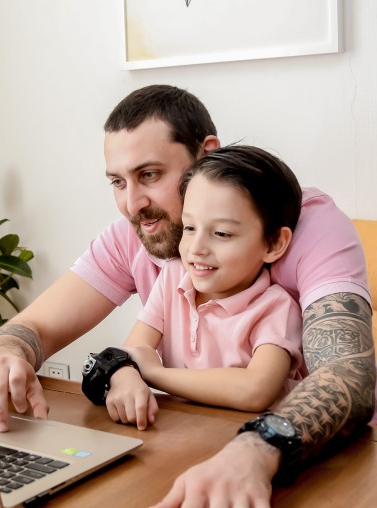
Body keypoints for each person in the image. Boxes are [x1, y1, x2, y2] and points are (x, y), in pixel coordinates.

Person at [0, 85, 377, 508]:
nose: (133, 205)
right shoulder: (143, 236)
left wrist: (255, 446)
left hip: (354, 453)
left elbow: (347, 375)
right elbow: (32, 327)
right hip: (209, 449)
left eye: (150, 175)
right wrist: (7, 354)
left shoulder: (306, 224)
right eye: (117, 182)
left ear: (206, 154)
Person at [104, 145, 306, 429]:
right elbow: (132, 352)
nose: (196, 248)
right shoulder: (174, 276)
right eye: (189, 228)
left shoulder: (276, 308)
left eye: (221, 233)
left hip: (253, 442)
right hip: (185, 432)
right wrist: (124, 375)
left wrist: (153, 373)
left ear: (273, 243)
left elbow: (255, 390)